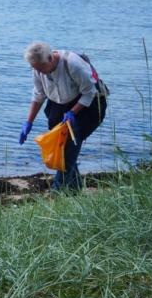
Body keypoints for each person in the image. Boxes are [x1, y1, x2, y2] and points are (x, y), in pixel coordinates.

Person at [18, 41, 107, 190]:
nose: (38, 72)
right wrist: (29, 122)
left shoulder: (72, 64)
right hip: (59, 105)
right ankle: (75, 188)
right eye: (35, 69)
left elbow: (89, 92)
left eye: (40, 68)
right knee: (61, 144)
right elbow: (39, 95)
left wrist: (72, 112)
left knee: (69, 145)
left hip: (89, 104)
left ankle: (58, 190)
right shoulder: (37, 68)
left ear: (50, 59)